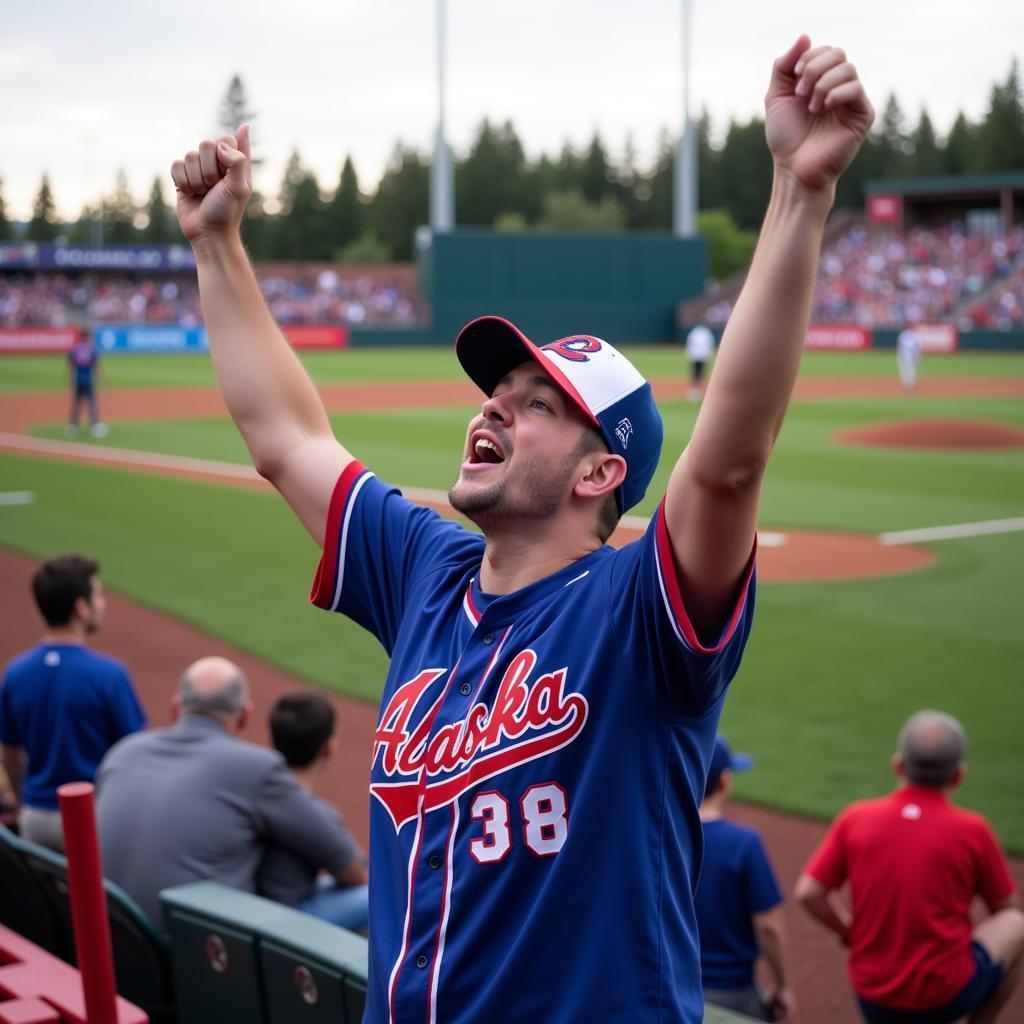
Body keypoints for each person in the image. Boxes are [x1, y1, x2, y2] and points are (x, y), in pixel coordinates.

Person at [169, 36, 872, 1023]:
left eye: (536, 403)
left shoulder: (638, 613)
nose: (492, 408)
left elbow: (726, 465)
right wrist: (215, 244)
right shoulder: (425, 568)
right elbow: (285, 438)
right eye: (495, 390)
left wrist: (799, 193)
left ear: (601, 471)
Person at [96, 657, 368, 929]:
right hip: (191, 953)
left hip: (103, 938)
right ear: (244, 716)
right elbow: (345, 862)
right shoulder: (256, 767)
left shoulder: (122, 752)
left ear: (175, 707)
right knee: (375, 896)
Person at [795, 711, 1024, 1024]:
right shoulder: (973, 831)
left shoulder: (856, 818)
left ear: (898, 765)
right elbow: (1006, 909)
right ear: (958, 775)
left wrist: (849, 932)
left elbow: (809, 893)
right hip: (947, 998)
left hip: (873, 999)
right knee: (1016, 923)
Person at [0, 554, 145, 851]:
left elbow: (10, 752)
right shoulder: (108, 674)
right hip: (94, 816)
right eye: (98, 596)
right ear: (81, 608)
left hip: (36, 817)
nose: (103, 603)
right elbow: (135, 751)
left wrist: (23, 802)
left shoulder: (15, 672)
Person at [695, 737, 793, 1021]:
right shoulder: (742, 843)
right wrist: (784, 987)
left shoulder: (661, 837)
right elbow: (769, 926)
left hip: (672, 987)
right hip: (733, 994)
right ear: (724, 782)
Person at [259, 692, 370, 932]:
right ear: (328, 748)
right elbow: (358, 875)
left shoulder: (257, 789)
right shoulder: (312, 811)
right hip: (286, 922)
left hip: (259, 907)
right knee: (381, 896)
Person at [65, 329, 108, 438]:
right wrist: (98, 379)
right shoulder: (91, 349)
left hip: (78, 379)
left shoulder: (75, 348)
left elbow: (71, 366)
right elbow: (96, 365)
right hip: (88, 379)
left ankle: (72, 427)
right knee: (91, 402)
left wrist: (71, 380)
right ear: (88, 337)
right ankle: (95, 426)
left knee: (77, 403)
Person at [685, 322, 716, 400]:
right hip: (700, 355)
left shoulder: (695, 332)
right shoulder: (706, 333)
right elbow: (710, 344)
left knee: (697, 373)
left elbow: (690, 343)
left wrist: (689, 354)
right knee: (698, 373)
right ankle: (695, 390)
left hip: (697, 355)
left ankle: (696, 390)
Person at [896, 321, 921, 391]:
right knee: (911, 370)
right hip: (910, 353)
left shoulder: (903, 334)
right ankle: (911, 385)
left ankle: (907, 384)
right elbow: (917, 346)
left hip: (904, 353)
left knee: (905, 370)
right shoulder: (914, 334)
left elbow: (900, 346)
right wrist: (917, 356)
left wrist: (899, 355)